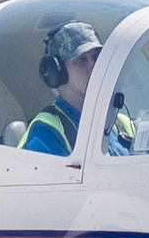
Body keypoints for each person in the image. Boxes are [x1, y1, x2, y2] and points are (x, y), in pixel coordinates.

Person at [22, 22, 136, 155]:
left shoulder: (121, 123)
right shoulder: (45, 130)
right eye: (82, 60)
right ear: (57, 72)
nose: (94, 67)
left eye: (96, 58)